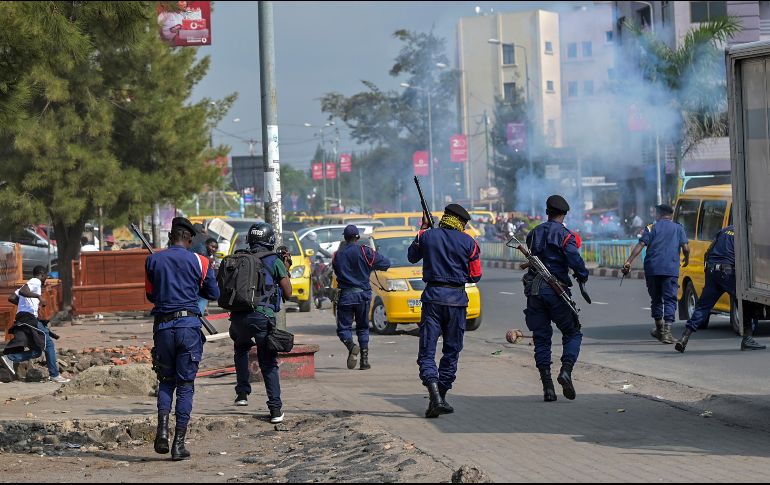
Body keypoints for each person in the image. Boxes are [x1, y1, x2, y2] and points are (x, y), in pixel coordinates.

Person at [145, 217, 219, 461]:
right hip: (188, 326)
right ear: (188, 238)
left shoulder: (153, 259)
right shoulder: (201, 261)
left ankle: (162, 432)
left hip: (164, 327)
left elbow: (150, 294)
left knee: (166, 381)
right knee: (185, 385)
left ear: (170, 237)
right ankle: (179, 444)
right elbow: (213, 293)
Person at [407, 204, 481, 418]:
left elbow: (412, 256)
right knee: (452, 350)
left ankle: (435, 397)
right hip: (457, 301)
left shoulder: (427, 236)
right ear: (462, 223)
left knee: (427, 351)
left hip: (432, 299)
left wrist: (422, 229)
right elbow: (475, 276)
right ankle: (440, 397)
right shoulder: (470, 242)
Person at [523, 195, 589, 402]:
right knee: (573, 333)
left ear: (547, 212)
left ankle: (548, 388)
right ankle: (566, 371)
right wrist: (582, 274)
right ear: (564, 214)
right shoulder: (565, 235)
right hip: (556, 290)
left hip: (534, 292)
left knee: (542, 339)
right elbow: (575, 260)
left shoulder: (533, 234)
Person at [229, 223, 293, 425]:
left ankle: (242, 395)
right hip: (261, 317)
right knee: (268, 363)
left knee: (241, 350)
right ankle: (275, 410)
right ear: (270, 240)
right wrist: (286, 268)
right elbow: (288, 293)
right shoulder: (274, 260)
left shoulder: (240, 258)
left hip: (238, 316)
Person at [675, 225, 765, 352]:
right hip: (728, 273)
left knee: (703, 306)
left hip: (712, 271)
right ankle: (747, 339)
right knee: (745, 301)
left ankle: (685, 337)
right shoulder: (745, 234)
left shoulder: (724, 230)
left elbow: (708, 252)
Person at [623, 204, 689, 344]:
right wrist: (687, 258)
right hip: (670, 269)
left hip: (652, 269)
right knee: (670, 299)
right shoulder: (678, 228)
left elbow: (641, 244)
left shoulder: (651, 228)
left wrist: (629, 261)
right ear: (670, 215)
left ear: (659, 214)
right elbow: (686, 247)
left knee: (656, 299)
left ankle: (659, 329)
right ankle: (667, 333)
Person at [332, 225, 391, 370]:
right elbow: (386, 263)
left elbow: (337, 270)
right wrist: (370, 266)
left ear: (345, 238)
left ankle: (351, 346)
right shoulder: (365, 251)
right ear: (357, 237)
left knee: (343, 329)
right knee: (363, 328)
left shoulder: (338, 255)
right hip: (363, 295)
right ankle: (364, 362)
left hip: (346, 296)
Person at [0, 266, 70, 384]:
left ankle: (11, 358)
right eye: (45, 277)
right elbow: (23, 292)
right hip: (28, 318)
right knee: (48, 344)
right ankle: (55, 375)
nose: (45, 280)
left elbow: (12, 297)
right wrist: (38, 297)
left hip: (25, 318)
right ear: (42, 275)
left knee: (37, 351)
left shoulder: (29, 284)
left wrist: (26, 304)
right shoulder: (35, 281)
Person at [193, 237, 218, 316]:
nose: (213, 249)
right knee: (202, 298)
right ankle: (198, 315)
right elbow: (202, 260)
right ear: (206, 244)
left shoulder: (205, 250)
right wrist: (210, 262)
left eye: (215, 248)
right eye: (212, 246)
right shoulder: (202, 248)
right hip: (196, 278)